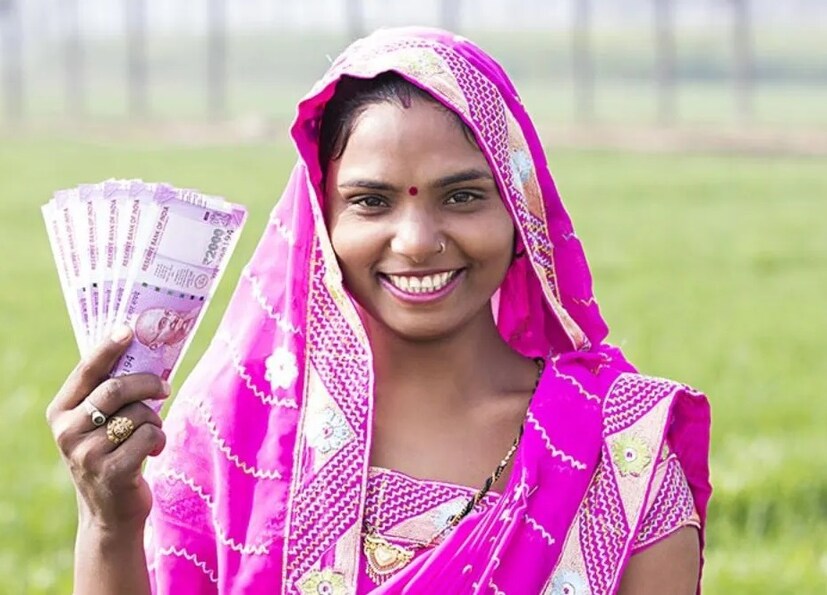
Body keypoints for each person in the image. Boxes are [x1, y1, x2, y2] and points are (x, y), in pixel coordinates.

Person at [46, 27, 711, 594]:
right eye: (370, 201)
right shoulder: (230, 432)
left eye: (462, 197)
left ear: (520, 213)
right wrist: (107, 523)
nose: (417, 240)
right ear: (319, 221)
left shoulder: (618, 449)